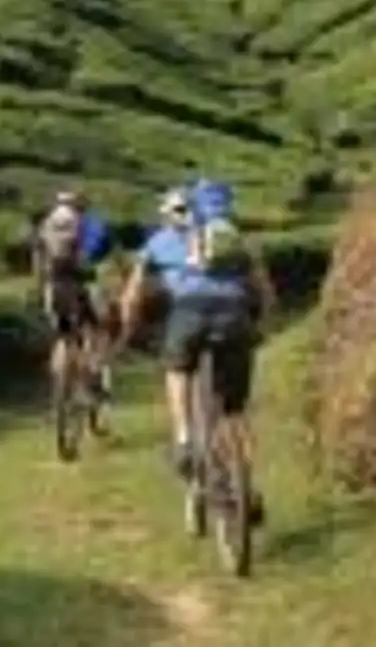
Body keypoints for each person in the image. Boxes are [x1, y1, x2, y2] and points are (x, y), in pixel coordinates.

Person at [117, 180, 276, 518]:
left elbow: (131, 295)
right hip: (234, 318)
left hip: (188, 314)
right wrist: (261, 326)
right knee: (235, 410)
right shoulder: (236, 239)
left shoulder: (162, 241)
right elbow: (265, 292)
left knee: (176, 370)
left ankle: (185, 437)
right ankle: (248, 486)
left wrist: (129, 330)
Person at [31, 188, 116, 403]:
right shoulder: (91, 224)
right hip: (83, 286)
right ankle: (93, 378)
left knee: (63, 336)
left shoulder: (46, 224)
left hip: (54, 286)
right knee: (98, 330)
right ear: (82, 205)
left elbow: (37, 259)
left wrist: (40, 287)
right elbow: (104, 251)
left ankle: (59, 387)